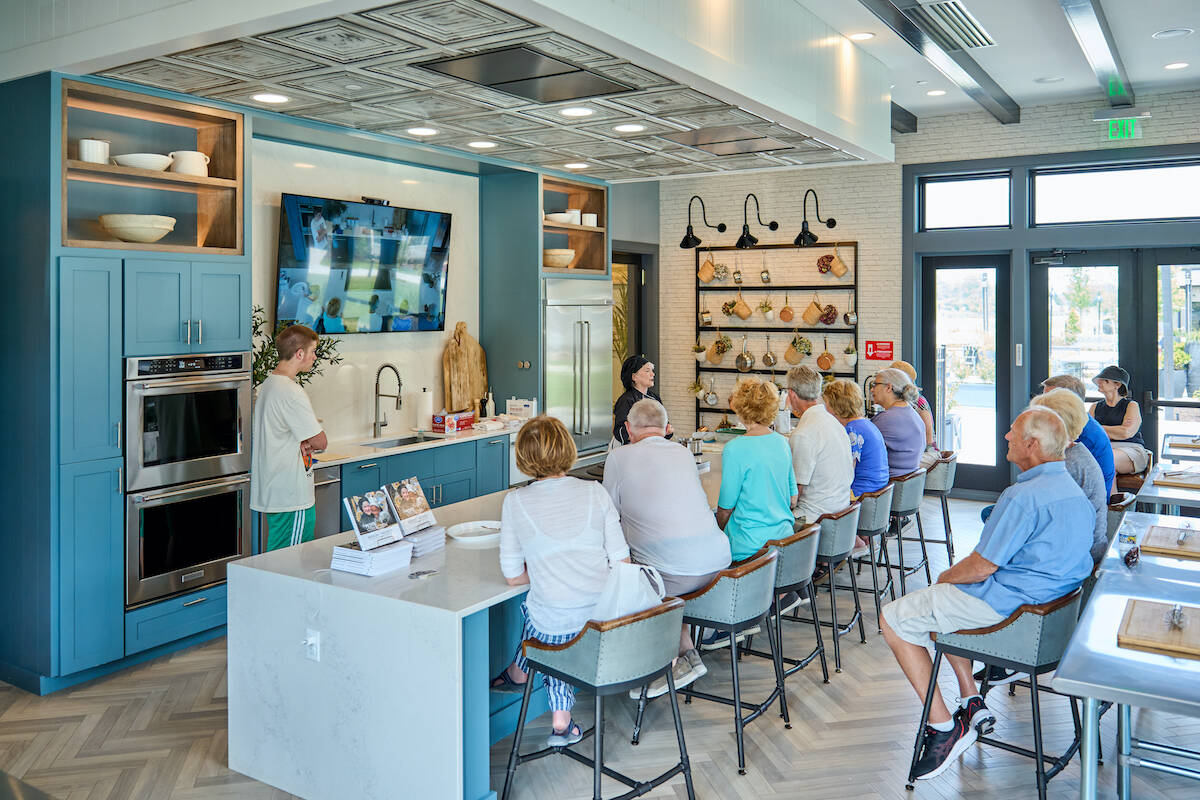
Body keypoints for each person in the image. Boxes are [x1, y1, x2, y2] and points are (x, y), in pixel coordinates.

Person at [879, 407, 1094, 781]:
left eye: (1013, 433)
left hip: (1012, 617)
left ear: (1033, 444)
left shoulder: (1023, 495)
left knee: (894, 618)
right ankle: (970, 698)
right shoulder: (1072, 491)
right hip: (1047, 618)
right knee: (940, 606)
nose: (1006, 437)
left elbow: (982, 566)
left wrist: (943, 578)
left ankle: (944, 727)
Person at [493, 415, 631, 749]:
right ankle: (519, 673)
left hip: (555, 627)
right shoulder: (595, 492)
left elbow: (512, 576)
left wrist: (544, 571)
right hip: (603, 623)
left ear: (523, 457)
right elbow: (622, 562)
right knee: (549, 612)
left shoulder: (515, 502)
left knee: (542, 613)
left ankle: (558, 717)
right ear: (568, 448)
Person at [603, 398, 731, 697]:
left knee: (626, 569)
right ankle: (685, 649)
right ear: (666, 428)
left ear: (627, 429)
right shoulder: (684, 453)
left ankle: (652, 666)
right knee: (661, 559)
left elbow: (608, 515)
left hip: (673, 576)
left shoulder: (618, 458)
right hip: (718, 567)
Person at [705, 378, 796, 650]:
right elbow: (793, 498)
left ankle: (734, 618)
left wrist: (715, 529)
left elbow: (726, 505)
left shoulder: (736, 448)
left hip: (749, 545)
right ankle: (766, 600)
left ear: (740, 408)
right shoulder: (781, 443)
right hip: (782, 539)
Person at [250, 325, 328, 551]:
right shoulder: (291, 392)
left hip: (277, 491)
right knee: (290, 565)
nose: (315, 357)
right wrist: (309, 441)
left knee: (281, 562)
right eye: (313, 351)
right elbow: (320, 441)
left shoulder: (268, 384)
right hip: (291, 497)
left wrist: (305, 440)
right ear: (300, 353)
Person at [1030, 389, 1108, 562]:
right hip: (1087, 544)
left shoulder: (1065, 466)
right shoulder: (1076, 451)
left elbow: (1041, 522)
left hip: (1078, 554)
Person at [785, 366, 853, 525]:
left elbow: (794, 495)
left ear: (792, 394)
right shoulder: (834, 422)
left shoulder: (804, 433)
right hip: (842, 513)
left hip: (815, 519)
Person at [1041, 374, 1116, 497]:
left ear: (1069, 402)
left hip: (1086, 505)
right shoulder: (1081, 422)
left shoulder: (1083, 437)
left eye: (1049, 399)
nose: (1043, 404)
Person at [824, 378, 889, 499]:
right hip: (878, 491)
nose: (824, 408)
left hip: (861, 494)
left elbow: (846, 473)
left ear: (835, 406)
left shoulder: (851, 431)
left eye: (826, 403)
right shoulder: (866, 424)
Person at [1091, 365, 1150, 474]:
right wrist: (1116, 430)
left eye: (1105, 380)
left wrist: (1097, 428)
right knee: (1098, 461)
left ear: (1117, 384)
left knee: (1104, 458)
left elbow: (1126, 433)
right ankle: (1111, 492)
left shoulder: (1131, 405)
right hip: (1103, 447)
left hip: (1131, 449)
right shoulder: (1095, 406)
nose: (1099, 382)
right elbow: (1087, 431)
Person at [871, 368, 927, 477]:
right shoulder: (913, 413)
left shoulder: (885, 419)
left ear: (888, 387)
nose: (872, 390)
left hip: (888, 485)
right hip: (907, 484)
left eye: (875, 385)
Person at [611, 355, 673, 445]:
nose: (653, 374)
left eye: (652, 370)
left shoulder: (655, 398)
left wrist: (668, 430)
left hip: (651, 448)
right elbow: (619, 432)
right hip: (629, 451)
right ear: (634, 377)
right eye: (647, 371)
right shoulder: (626, 400)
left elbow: (665, 427)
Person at [891, 360, 939, 468]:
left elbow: (929, 435)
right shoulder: (901, 401)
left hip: (928, 453)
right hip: (916, 453)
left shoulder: (919, 401)